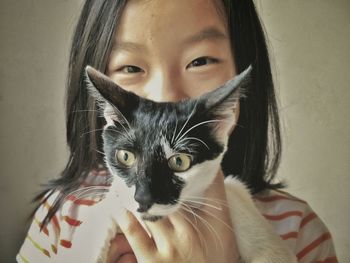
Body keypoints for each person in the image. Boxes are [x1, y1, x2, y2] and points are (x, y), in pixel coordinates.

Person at [17, 0, 338, 262]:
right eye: (130, 67)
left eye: (200, 61)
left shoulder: (299, 229)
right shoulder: (62, 213)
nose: (164, 97)